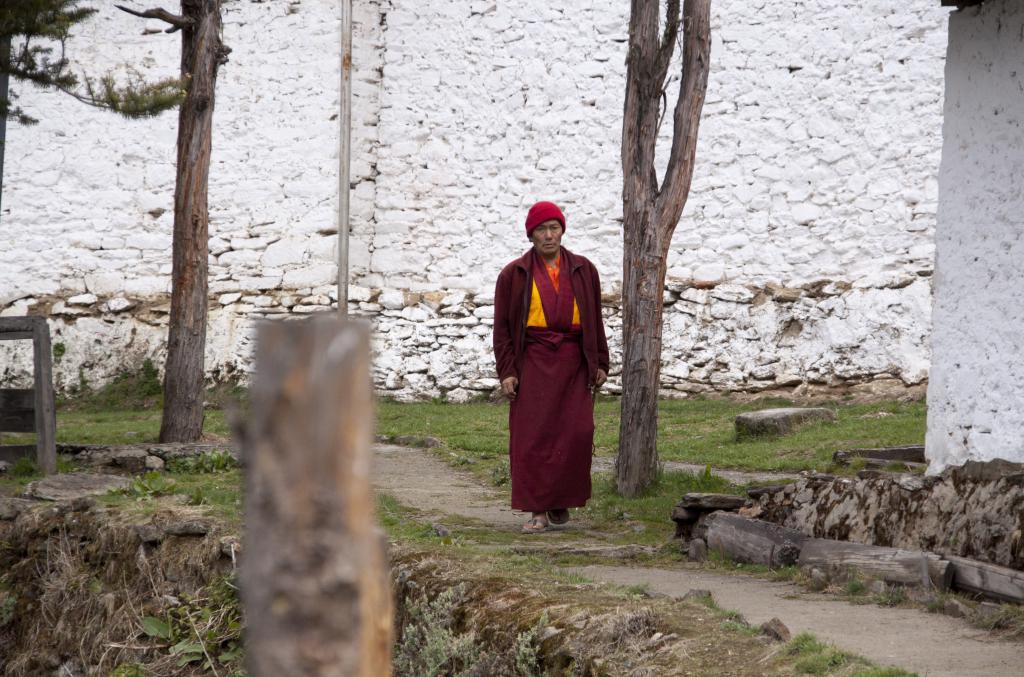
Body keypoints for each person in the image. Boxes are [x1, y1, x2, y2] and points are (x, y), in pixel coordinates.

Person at [492, 201, 610, 534]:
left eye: (554, 228)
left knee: (577, 433)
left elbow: (595, 319)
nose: (548, 236)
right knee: (533, 437)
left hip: (574, 360)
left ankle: (561, 501)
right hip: (534, 360)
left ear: (562, 230)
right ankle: (538, 510)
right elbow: (502, 329)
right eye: (541, 230)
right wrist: (508, 371)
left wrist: (600, 360)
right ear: (531, 235)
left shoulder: (583, 270)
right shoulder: (513, 274)